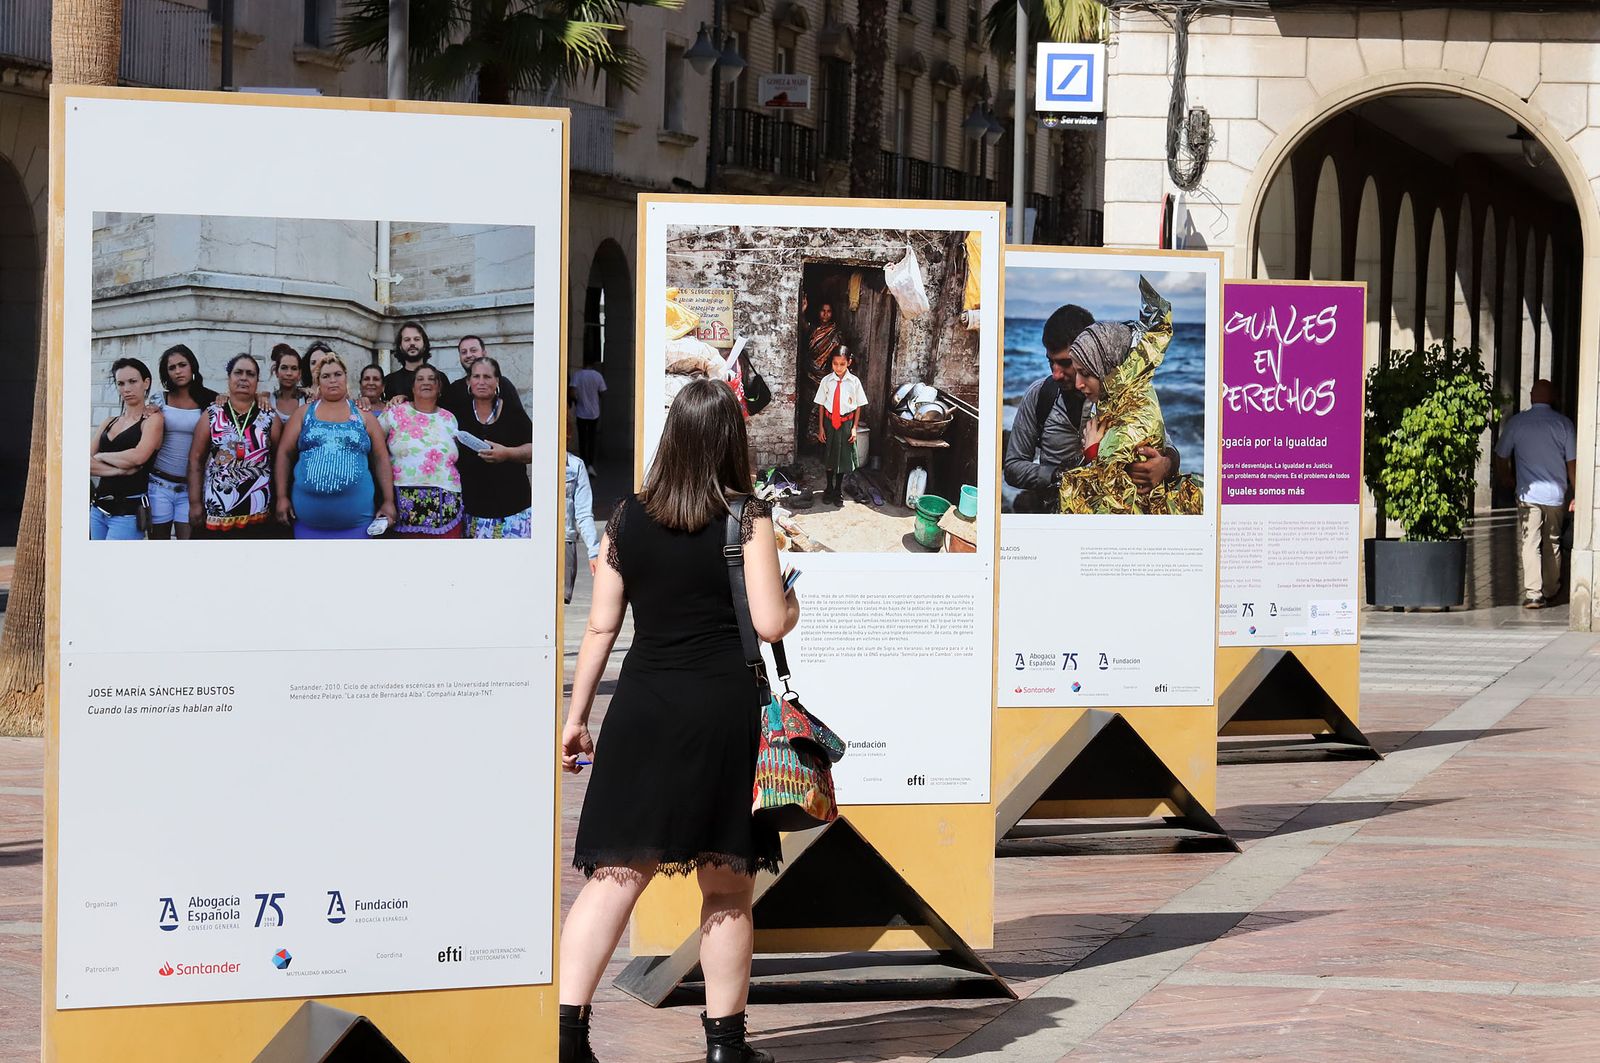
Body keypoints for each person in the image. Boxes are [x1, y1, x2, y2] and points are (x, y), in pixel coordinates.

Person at [560, 379, 796, 1063]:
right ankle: (725, 1047)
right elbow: (770, 621)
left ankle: (567, 1040)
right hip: (721, 712)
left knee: (613, 877)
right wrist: (793, 607)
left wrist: (576, 717)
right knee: (727, 886)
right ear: (731, 440)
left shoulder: (626, 517)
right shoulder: (747, 517)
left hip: (642, 708)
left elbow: (602, 625)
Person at [1004, 303, 1176, 512]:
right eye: (1051, 362)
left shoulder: (1125, 399)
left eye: (1066, 363)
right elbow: (1013, 467)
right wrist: (1061, 475)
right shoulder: (1040, 395)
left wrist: (1166, 466)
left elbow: (1165, 446)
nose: (1056, 374)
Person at [1057, 280, 1202, 516]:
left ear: (1110, 370)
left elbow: (1111, 506)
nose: (1078, 384)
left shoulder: (1132, 410)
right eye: (1076, 371)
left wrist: (1167, 463)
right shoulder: (1120, 396)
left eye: (1085, 373)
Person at [276, 353, 395, 539]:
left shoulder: (365, 416)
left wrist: (388, 501)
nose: (332, 380)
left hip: (358, 525)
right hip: (308, 525)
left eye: (337, 374)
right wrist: (281, 496)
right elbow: (284, 454)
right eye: (326, 376)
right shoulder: (303, 414)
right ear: (318, 382)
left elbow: (381, 459)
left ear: (346, 377)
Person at [1494, 379, 1577, 609]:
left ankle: (1533, 594)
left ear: (1531, 397)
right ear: (1552, 397)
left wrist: (1506, 477)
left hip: (1528, 494)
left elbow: (1500, 455)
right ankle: (1551, 589)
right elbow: (1572, 464)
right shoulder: (1564, 424)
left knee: (1530, 542)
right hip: (1555, 495)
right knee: (1552, 542)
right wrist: (1577, 493)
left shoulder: (1517, 423)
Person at [188, 354, 279, 538]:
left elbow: (280, 462)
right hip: (217, 512)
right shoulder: (212, 414)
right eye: (238, 372)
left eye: (250, 374)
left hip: (258, 512)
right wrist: (195, 503)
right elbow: (196, 460)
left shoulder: (270, 417)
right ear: (229, 378)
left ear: (257, 380)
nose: (244, 378)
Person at [379, 363, 463, 537]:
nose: (426, 383)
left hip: (446, 503)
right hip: (402, 503)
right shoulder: (395, 411)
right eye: (420, 379)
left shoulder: (450, 418)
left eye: (432, 379)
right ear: (412, 387)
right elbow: (373, 443)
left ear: (439, 388)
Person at [457, 357, 534, 539]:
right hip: (475, 513)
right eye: (476, 376)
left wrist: (507, 453)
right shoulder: (458, 413)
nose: (481, 382)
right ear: (469, 381)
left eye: (487, 376)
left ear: (497, 381)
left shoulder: (513, 411)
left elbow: (535, 449)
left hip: (514, 511)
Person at [147, 344, 217, 540]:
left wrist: (261, 396)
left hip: (192, 489)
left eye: (182, 365)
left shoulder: (211, 399)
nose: (178, 371)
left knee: (188, 544)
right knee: (158, 544)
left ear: (192, 366)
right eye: (172, 368)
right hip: (159, 484)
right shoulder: (159, 400)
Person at [90, 358, 164, 540]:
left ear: (145, 383)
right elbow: (85, 462)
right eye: (121, 383)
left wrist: (101, 456)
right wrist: (119, 471)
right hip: (98, 509)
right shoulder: (109, 422)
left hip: (128, 512)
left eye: (133, 381)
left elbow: (138, 457)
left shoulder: (152, 420)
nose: (126, 389)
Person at [813, 347, 867, 505]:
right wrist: (821, 427)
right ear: (832, 363)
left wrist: (854, 428)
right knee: (829, 456)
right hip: (829, 423)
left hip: (846, 424)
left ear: (849, 363)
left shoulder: (854, 382)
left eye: (842, 364)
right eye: (835, 363)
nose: (838, 367)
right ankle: (828, 488)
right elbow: (821, 405)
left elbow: (858, 406)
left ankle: (838, 490)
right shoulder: (826, 381)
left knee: (842, 458)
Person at [445, 334, 526, 422]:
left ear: (484, 353)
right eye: (464, 352)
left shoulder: (503, 384)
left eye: (473, 350)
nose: (468, 355)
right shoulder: (454, 389)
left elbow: (520, 421)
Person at [564, 452, 599, 603]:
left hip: (564, 541)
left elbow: (584, 513)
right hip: (532, 540)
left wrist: (594, 551)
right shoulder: (524, 456)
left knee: (558, 606)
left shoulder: (575, 465)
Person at [382, 320, 445, 402]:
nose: (412, 343)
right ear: (400, 346)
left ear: (424, 344)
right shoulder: (390, 381)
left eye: (417, 339)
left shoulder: (440, 378)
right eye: (407, 339)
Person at [569, 357, 606, 474]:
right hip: (594, 412)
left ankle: (583, 463)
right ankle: (591, 464)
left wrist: (577, 400)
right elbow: (603, 391)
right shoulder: (597, 376)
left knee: (582, 439)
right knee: (592, 439)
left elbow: (572, 392)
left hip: (581, 412)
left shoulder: (577, 375)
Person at [269, 344, 307, 425]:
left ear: (299, 374)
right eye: (284, 368)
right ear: (276, 372)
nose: (289, 373)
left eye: (294, 368)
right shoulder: (267, 402)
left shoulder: (308, 401)